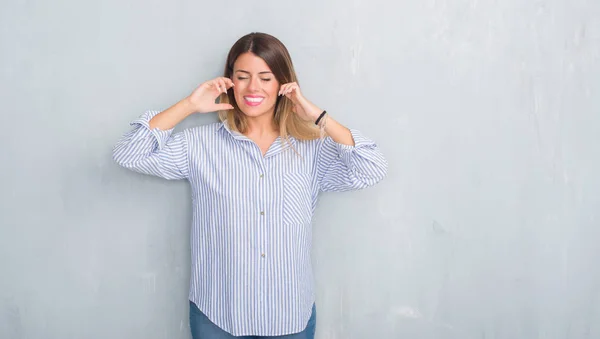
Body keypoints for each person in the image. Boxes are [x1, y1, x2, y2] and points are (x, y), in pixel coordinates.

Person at [112, 32, 387, 339]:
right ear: (230, 81)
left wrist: (317, 115)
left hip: (289, 317)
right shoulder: (199, 145)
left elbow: (371, 168)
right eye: (242, 76)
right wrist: (189, 105)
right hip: (217, 315)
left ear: (283, 84)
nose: (253, 87)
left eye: (266, 78)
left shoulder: (312, 150)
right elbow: (129, 153)